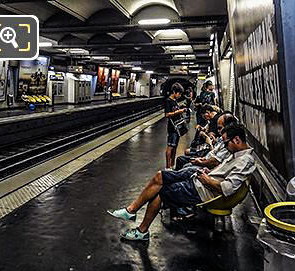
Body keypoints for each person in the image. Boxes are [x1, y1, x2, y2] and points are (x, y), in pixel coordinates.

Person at [107, 123, 256, 241]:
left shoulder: (244, 161)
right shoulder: (237, 155)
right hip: (200, 180)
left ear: (237, 140)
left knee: (161, 192)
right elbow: (223, 174)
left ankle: (141, 230)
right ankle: (131, 211)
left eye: (226, 143)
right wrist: (209, 173)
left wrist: (206, 179)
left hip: (201, 189)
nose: (224, 146)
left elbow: (227, 188)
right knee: (160, 176)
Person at [164, 82, 187, 169]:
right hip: (172, 127)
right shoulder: (168, 101)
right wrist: (178, 112)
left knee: (175, 147)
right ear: (174, 92)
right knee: (170, 146)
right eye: (179, 93)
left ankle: (172, 165)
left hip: (177, 127)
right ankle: (167, 166)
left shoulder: (175, 101)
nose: (180, 95)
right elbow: (167, 114)